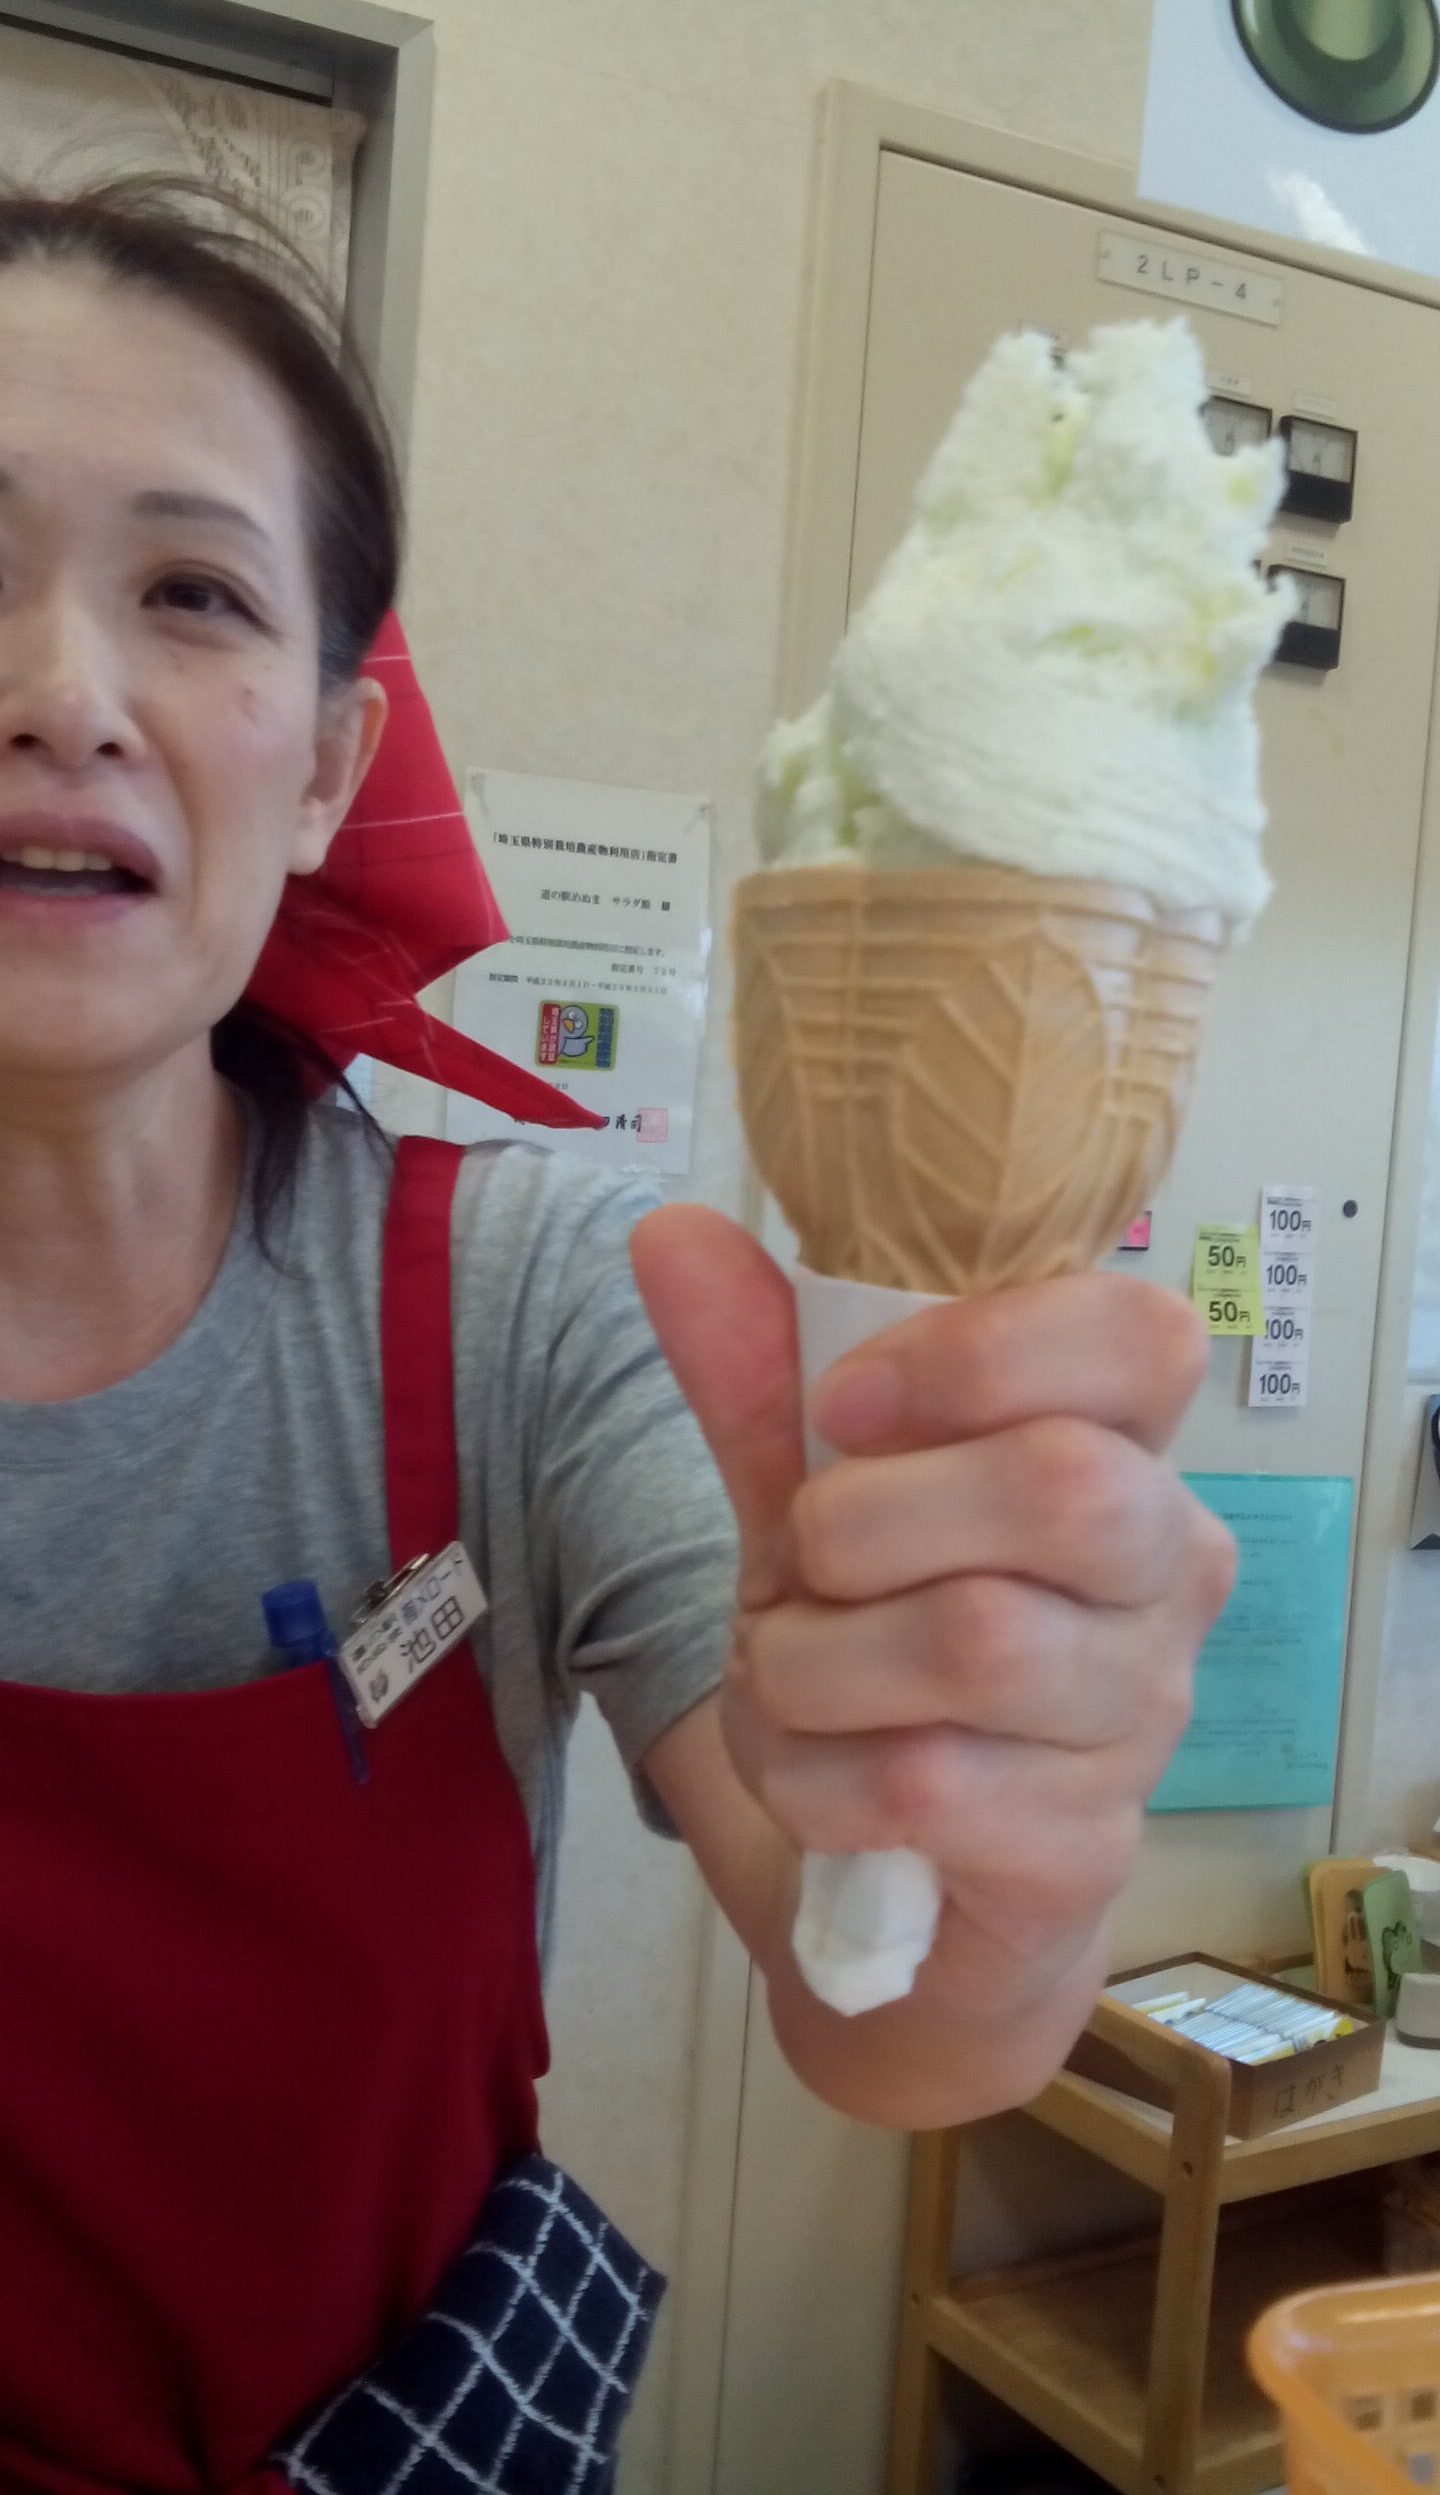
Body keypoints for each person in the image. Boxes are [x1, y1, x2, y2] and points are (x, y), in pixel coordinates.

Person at [0, 179, 1233, 2490]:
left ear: (336, 765)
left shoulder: (526, 1289)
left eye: (193, 592)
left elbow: (889, 2023)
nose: (63, 691)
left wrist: (993, 1838)